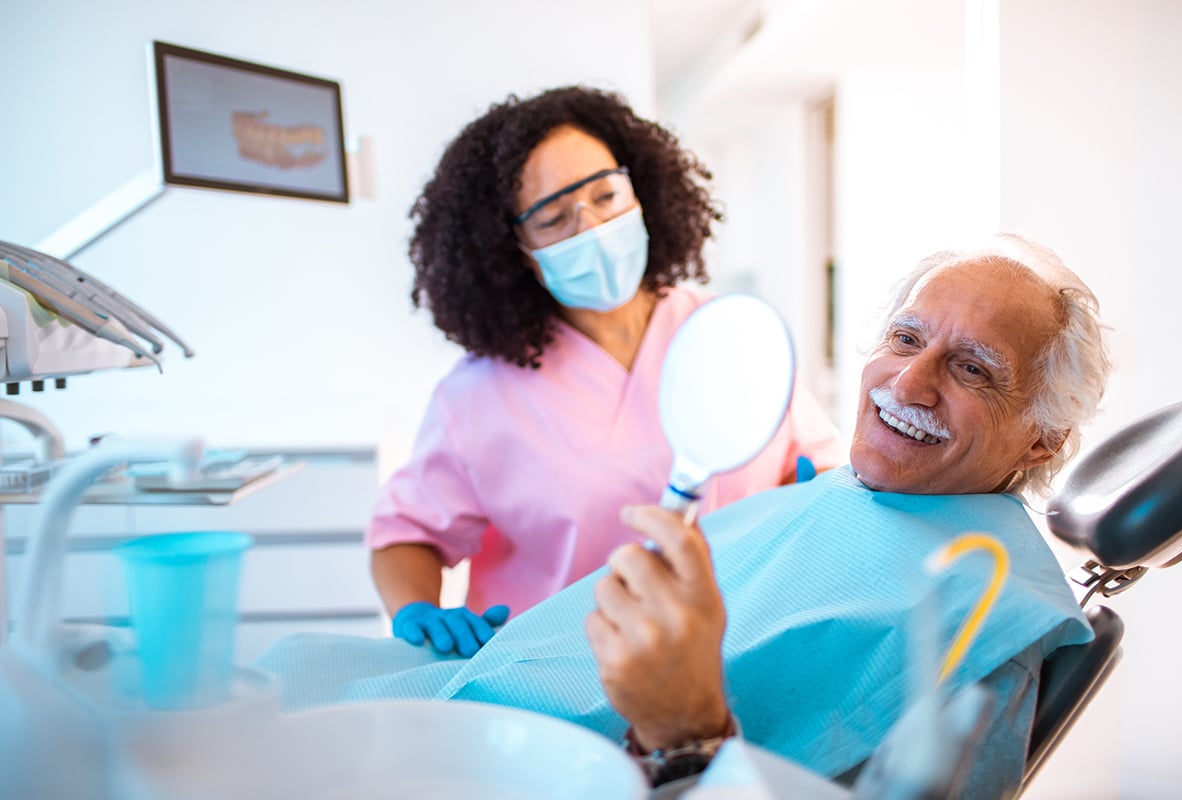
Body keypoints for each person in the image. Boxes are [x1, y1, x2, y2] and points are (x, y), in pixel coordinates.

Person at [258, 232, 1108, 799]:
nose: (910, 384)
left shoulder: (989, 614)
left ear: (1043, 442)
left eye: (974, 369)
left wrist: (689, 739)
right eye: (905, 338)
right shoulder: (848, 490)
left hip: (520, 762)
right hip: (471, 693)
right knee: (267, 681)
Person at [367, 86, 844, 657]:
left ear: (640, 188)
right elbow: (406, 536)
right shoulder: (475, 397)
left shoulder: (726, 333)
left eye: (606, 194)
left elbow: (816, 468)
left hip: (744, 652)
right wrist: (420, 610)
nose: (591, 226)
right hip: (559, 675)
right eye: (552, 217)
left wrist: (814, 502)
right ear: (513, 246)